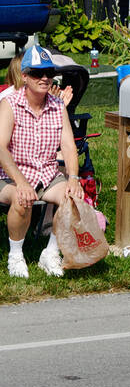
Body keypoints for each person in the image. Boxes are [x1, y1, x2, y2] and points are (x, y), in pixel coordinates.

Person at [0, 42, 83, 279]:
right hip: (10, 174)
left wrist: (74, 178)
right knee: (21, 198)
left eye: (49, 73)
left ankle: (51, 252)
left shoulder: (58, 106)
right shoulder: (10, 104)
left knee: (74, 198)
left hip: (46, 173)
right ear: (25, 76)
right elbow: (1, 147)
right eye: (38, 73)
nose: (45, 78)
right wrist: (20, 181)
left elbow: (68, 145)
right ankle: (16, 254)